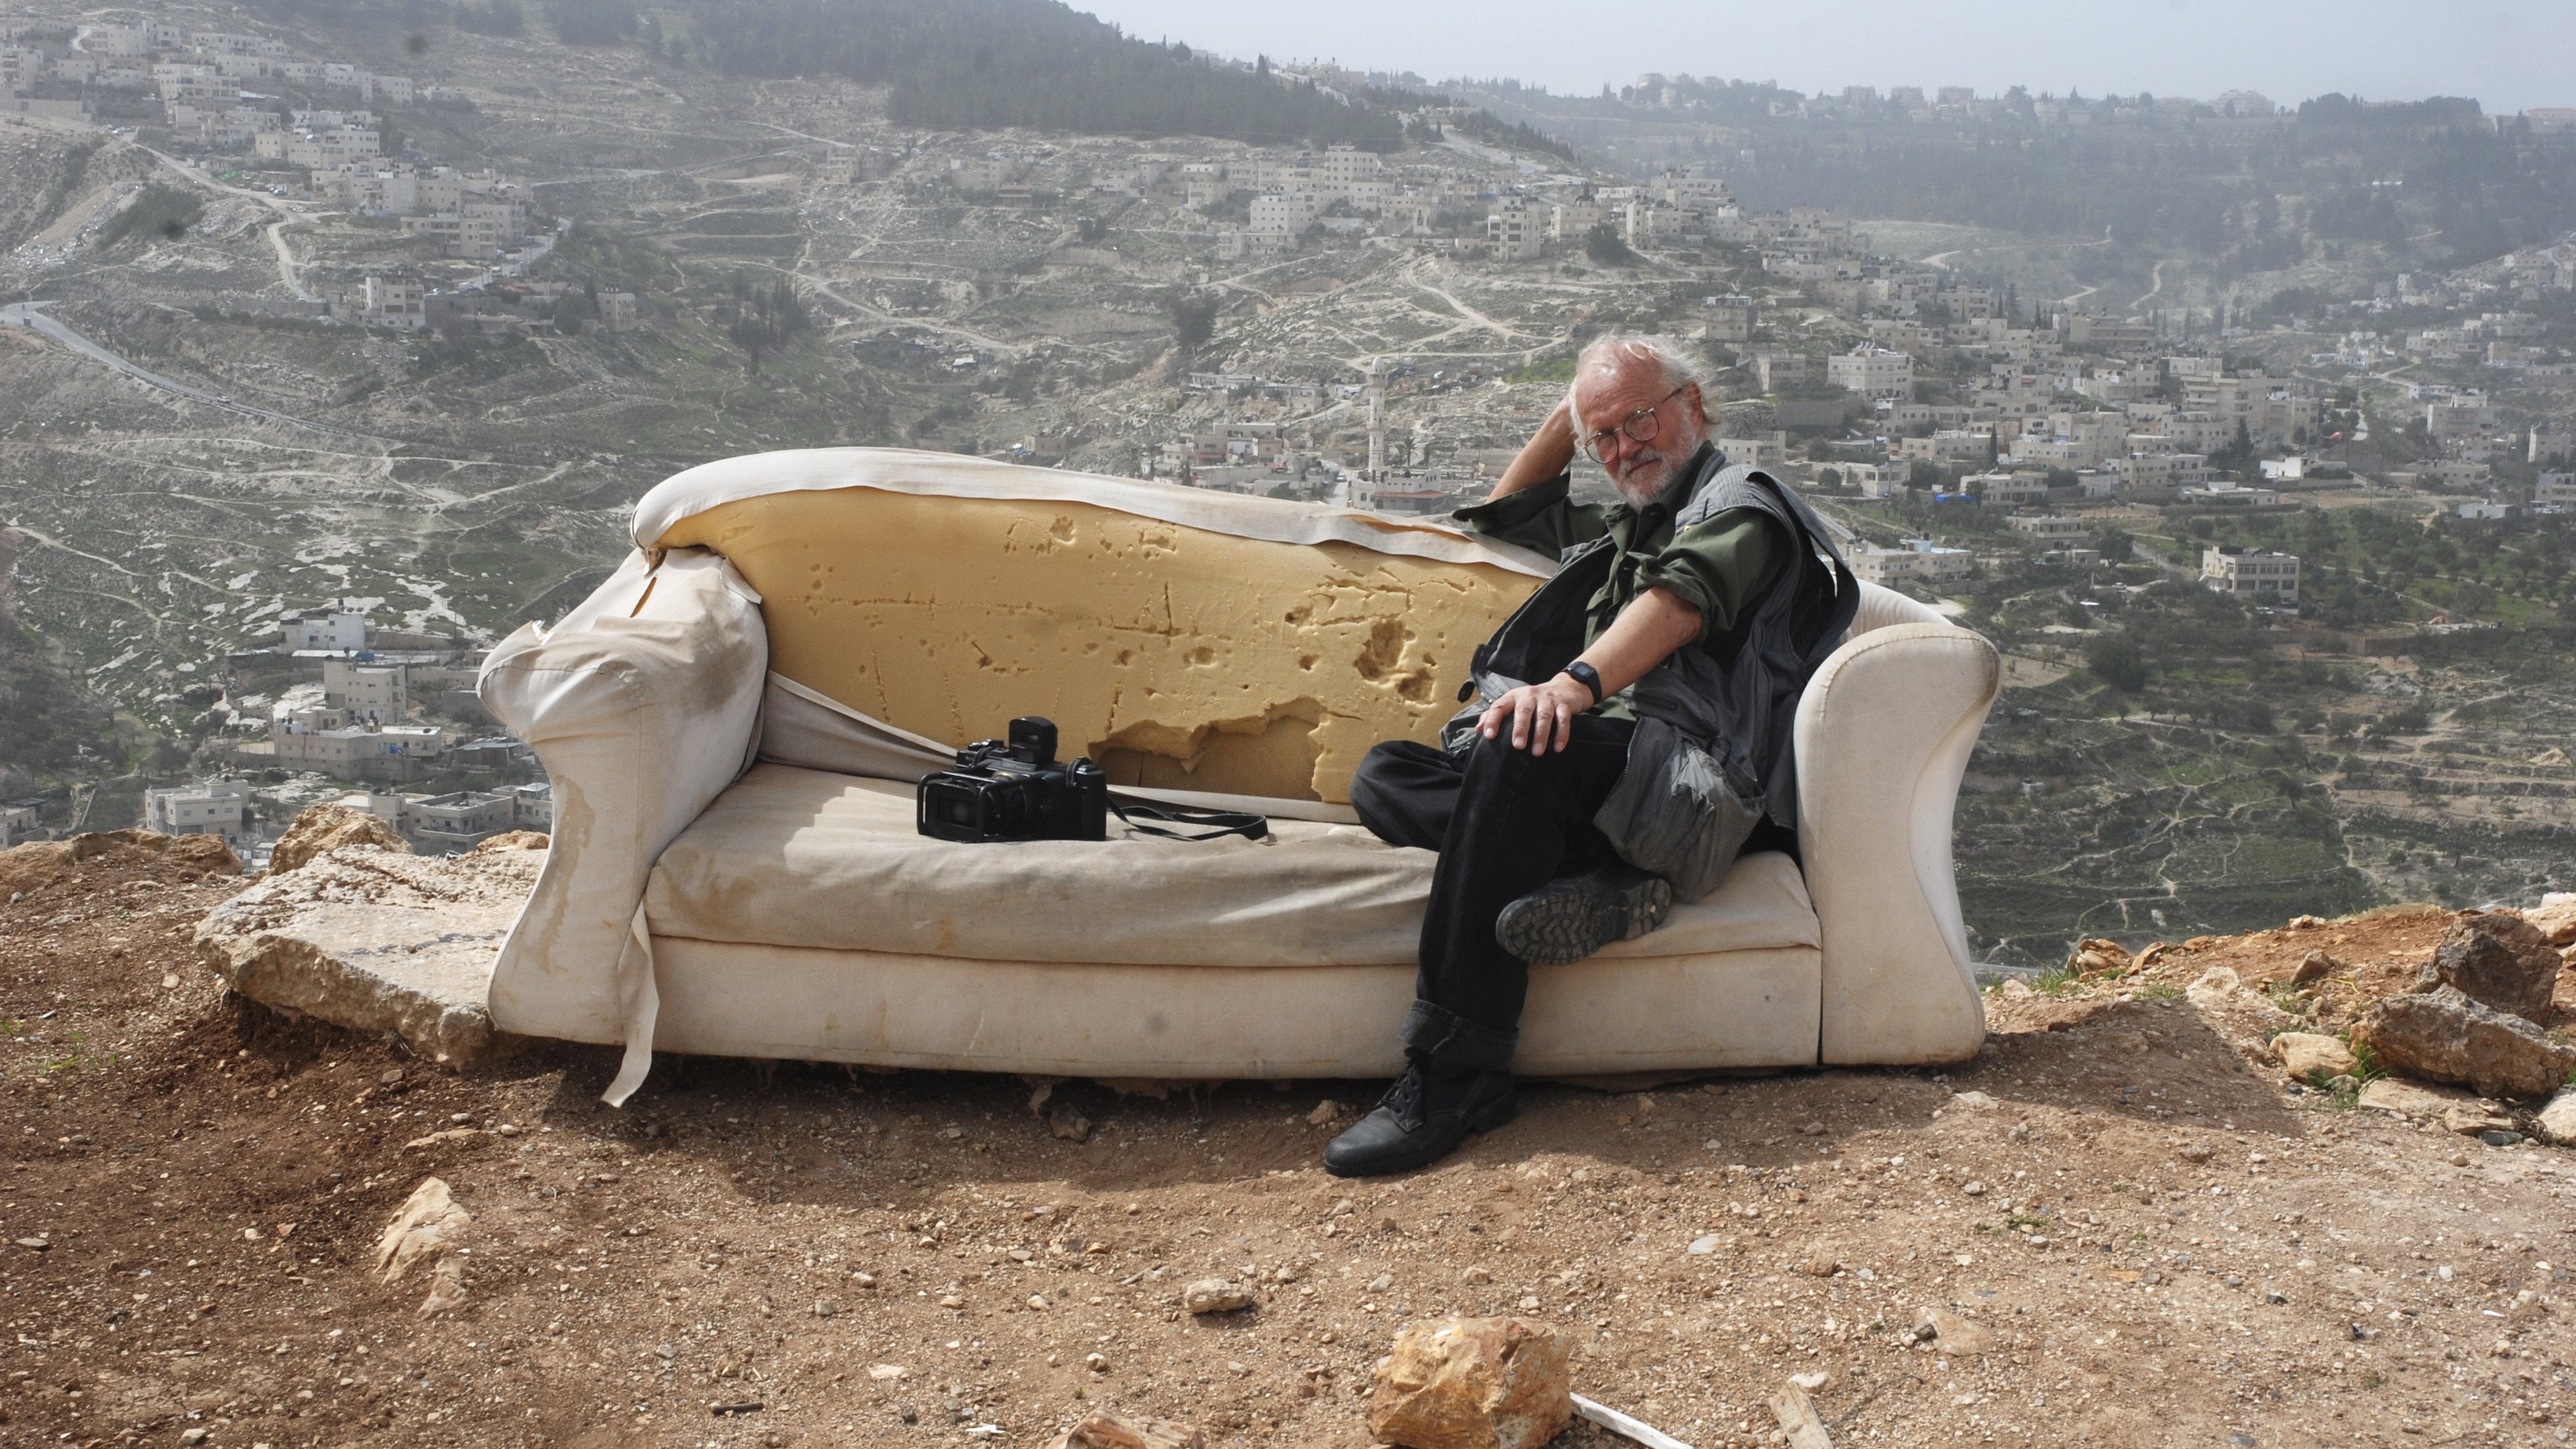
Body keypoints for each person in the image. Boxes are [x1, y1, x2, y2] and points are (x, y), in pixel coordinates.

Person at [1323, 334, 1858, 1177]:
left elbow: (1683, 598)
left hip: (1695, 784)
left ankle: (1457, 1075)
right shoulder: (1627, 525)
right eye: (1603, 438)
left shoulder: (1743, 509)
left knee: (1517, 750)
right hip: (1609, 777)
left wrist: (1573, 684)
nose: (1624, 449)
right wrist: (1577, 412)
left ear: (1694, 405)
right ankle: (1603, 876)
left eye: (1641, 420)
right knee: (1383, 774)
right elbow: (1505, 512)